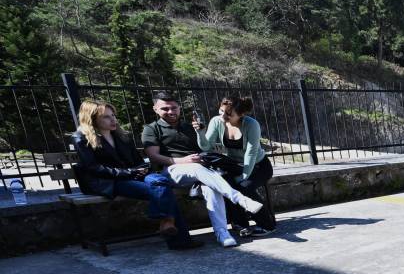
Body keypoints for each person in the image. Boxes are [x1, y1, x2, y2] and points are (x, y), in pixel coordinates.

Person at [72, 100, 200, 250]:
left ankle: (167, 223)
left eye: (113, 115)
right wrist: (128, 172)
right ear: (92, 119)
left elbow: (137, 161)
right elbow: (93, 168)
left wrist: (142, 169)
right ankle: (173, 231)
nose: (113, 120)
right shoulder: (81, 138)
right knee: (162, 190)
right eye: (106, 117)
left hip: (133, 175)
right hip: (109, 181)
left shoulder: (121, 136)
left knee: (160, 180)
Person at [143, 93, 264, 248]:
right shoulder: (151, 129)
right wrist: (183, 160)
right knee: (195, 168)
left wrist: (201, 133)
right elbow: (153, 156)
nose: (171, 111)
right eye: (165, 109)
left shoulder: (188, 127)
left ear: (179, 107)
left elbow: (205, 148)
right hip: (172, 170)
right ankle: (240, 199)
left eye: (174, 107)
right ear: (155, 109)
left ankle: (222, 233)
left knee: (211, 188)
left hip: (200, 171)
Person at [197, 95, 276, 237]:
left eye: (229, 114)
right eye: (221, 111)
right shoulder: (217, 121)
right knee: (226, 185)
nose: (223, 116)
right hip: (234, 165)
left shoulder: (251, 124)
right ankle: (240, 224)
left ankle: (267, 224)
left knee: (244, 187)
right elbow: (206, 147)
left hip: (258, 165)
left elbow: (251, 153)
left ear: (241, 114)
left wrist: (243, 176)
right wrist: (200, 133)